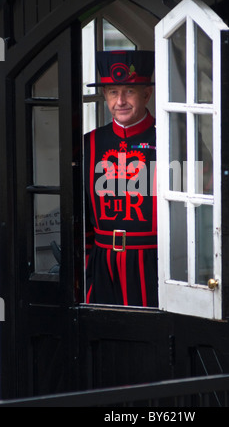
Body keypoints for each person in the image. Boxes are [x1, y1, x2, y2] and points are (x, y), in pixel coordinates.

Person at [84, 50, 158, 307]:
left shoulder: (172, 139)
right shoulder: (89, 144)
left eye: (129, 90)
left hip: (156, 267)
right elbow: (78, 217)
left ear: (146, 94)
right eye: (113, 92)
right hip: (103, 267)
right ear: (105, 96)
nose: (121, 101)